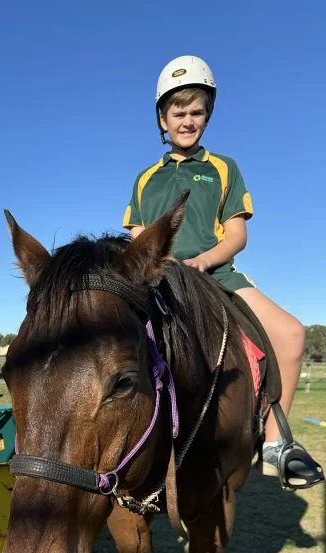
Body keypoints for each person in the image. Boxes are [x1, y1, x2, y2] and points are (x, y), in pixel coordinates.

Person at [122, 55, 323, 490]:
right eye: (179, 112)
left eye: (196, 112)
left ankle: (276, 444)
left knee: (291, 334)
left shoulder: (224, 168)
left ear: (207, 116)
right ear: (162, 118)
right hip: (158, 281)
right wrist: (157, 264)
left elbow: (237, 236)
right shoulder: (144, 178)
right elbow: (138, 233)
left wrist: (202, 261)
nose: (187, 120)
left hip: (216, 274)